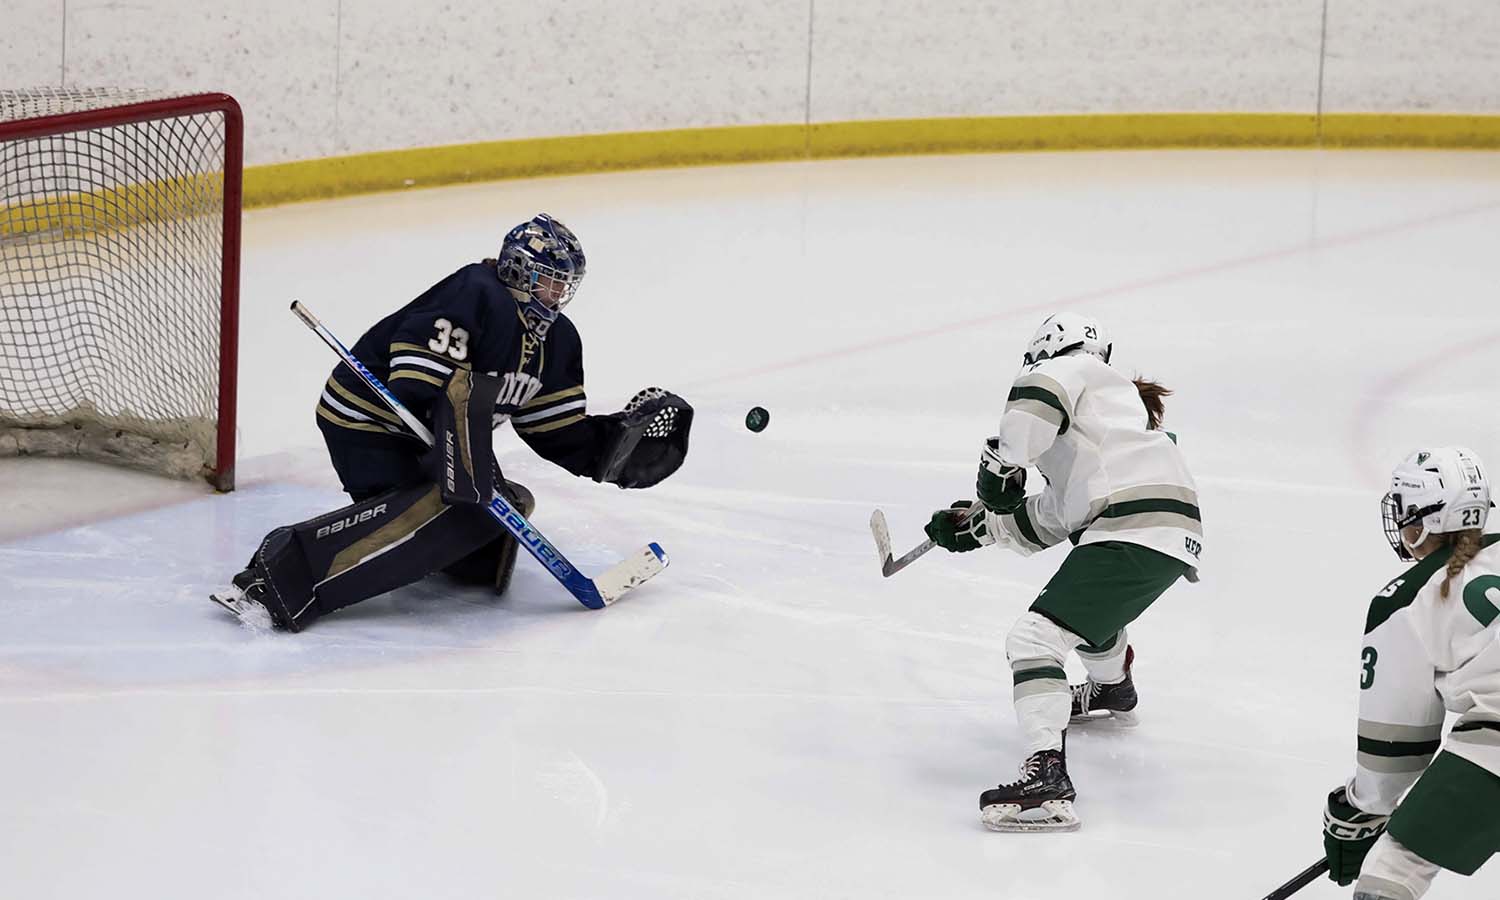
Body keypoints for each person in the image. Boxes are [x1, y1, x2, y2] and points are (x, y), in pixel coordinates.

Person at [210, 213, 693, 631]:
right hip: (370, 425)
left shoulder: (557, 340)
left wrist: (614, 450)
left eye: (565, 285)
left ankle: (459, 563)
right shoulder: (476, 293)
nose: (558, 294)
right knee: (452, 503)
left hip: (443, 432)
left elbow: (557, 429)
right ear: (519, 270)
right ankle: (277, 580)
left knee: (511, 501)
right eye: (549, 280)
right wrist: (460, 463)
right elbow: (422, 383)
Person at [922, 312, 1202, 832]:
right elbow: (1054, 515)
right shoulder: (1111, 421)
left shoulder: (1068, 370)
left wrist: (1001, 469)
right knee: (1087, 616)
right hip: (1163, 530)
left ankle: (1048, 781)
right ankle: (1112, 687)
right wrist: (980, 526)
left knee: (1033, 640)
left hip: (1131, 528)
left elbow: (1034, 401)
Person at [1321, 446, 1500, 900]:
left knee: (1399, 863)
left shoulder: (1409, 599)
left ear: (1424, 520)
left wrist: (1358, 809)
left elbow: (1394, 750)